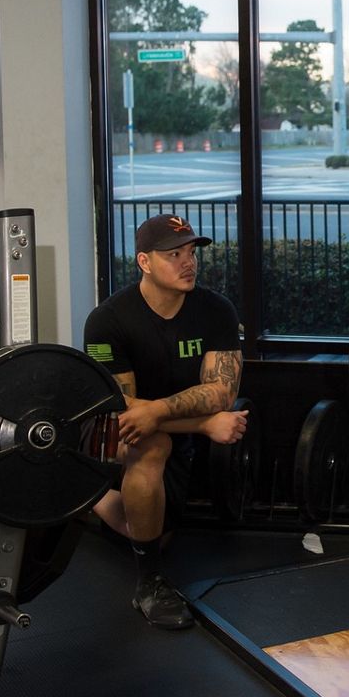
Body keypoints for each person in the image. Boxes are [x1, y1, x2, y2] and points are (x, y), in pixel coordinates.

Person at [84, 213, 247, 629]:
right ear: (144, 262)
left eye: (191, 252)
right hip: (111, 436)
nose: (188, 262)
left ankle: (88, 501)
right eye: (173, 254)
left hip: (162, 432)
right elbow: (122, 412)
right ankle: (149, 584)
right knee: (150, 444)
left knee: (158, 531)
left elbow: (221, 393)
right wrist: (202, 425)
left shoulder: (215, 311)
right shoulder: (108, 320)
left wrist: (156, 410)